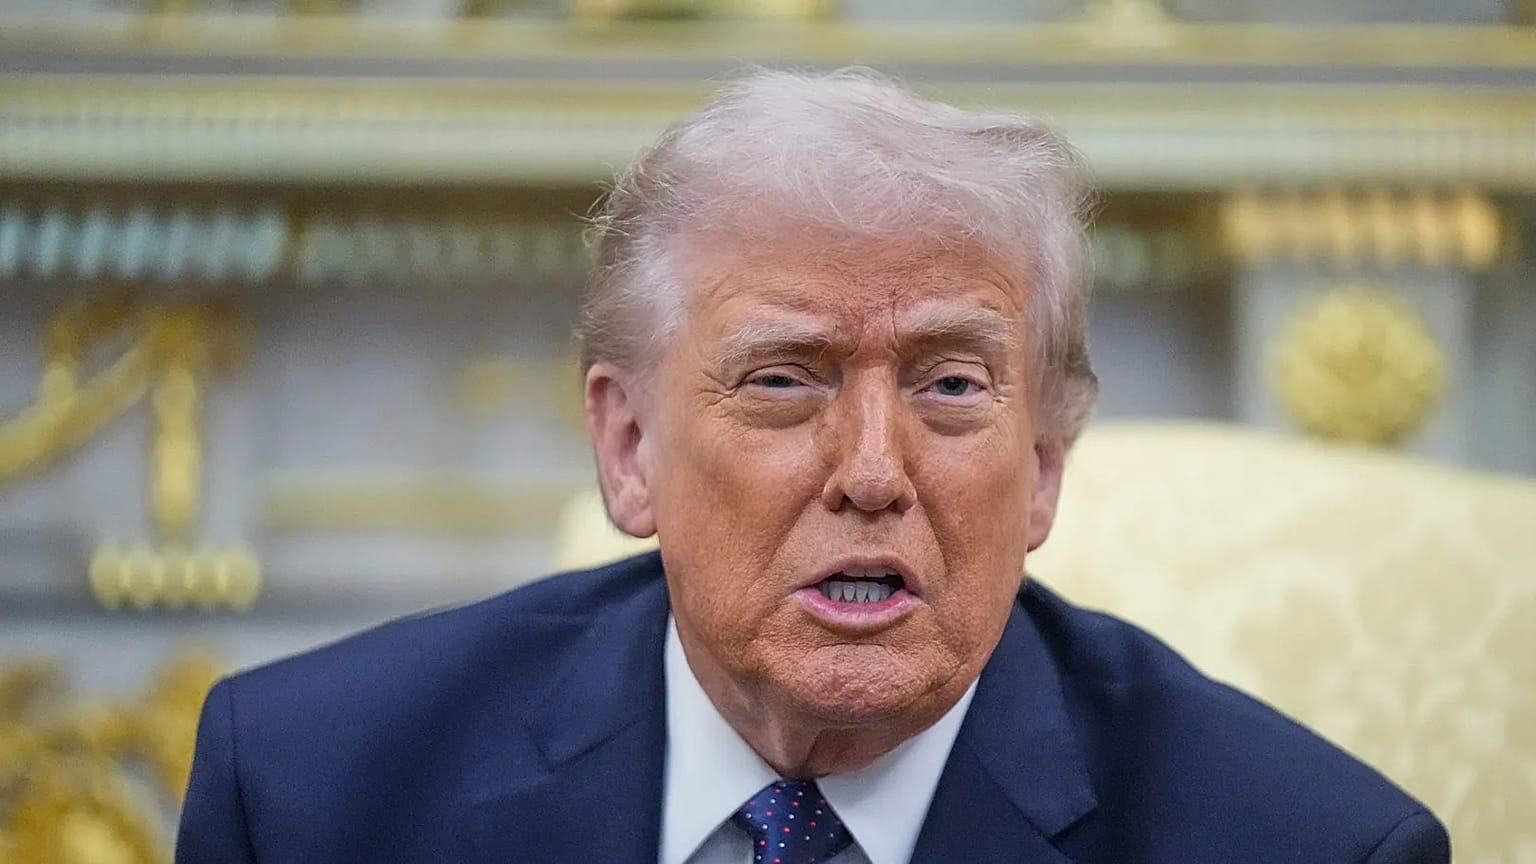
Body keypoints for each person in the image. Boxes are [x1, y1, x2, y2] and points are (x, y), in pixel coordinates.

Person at [176, 68, 1449, 864]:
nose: (875, 473)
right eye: (785, 380)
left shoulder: (1307, 847)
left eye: (952, 386)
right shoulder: (310, 794)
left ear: (1045, 467)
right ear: (629, 448)